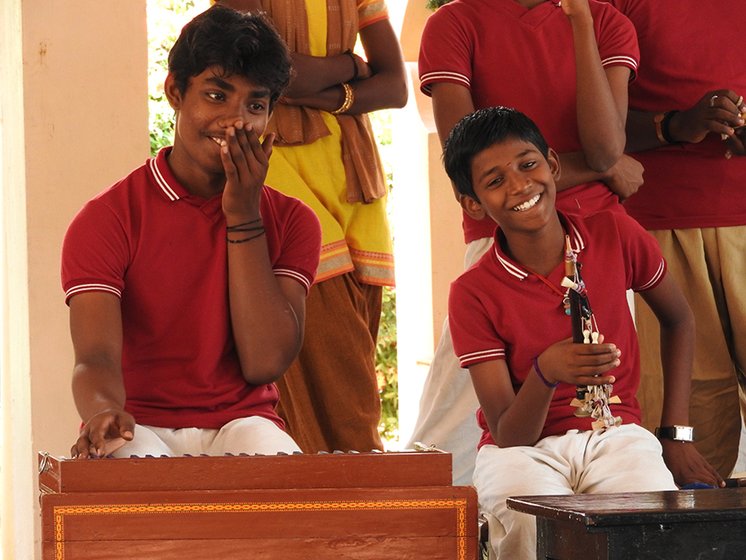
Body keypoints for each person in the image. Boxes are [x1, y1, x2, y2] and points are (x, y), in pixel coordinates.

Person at [444, 106, 721, 559]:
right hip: (522, 452)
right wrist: (545, 373)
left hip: (617, 436)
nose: (519, 185)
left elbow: (680, 319)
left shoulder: (615, 232)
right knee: (528, 529)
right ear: (474, 204)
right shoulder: (472, 292)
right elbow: (510, 435)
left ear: (552, 164)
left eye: (528, 164)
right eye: (494, 181)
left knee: (648, 528)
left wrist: (676, 434)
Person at [63, 5, 322, 459]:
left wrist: (243, 214)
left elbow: (264, 362)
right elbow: (95, 358)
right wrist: (105, 410)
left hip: (242, 422)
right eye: (217, 96)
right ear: (175, 92)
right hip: (137, 422)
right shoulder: (107, 218)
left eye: (255, 105)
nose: (235, 121)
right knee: (143, 492)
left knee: (286, 486)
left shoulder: (293, 221)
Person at [407, 0, 643, 485]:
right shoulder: (454, 22)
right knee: (457, 416)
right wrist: (588, 168)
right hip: (502, 243)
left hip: (596, 246)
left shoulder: (604, 21)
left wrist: (578, 19)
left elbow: (604, 149)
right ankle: (436, 529)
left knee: (598, 416)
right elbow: (466, 163)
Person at [218, 0, 407, 453]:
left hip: (352, 182)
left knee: (354, 374)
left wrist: (320, 91)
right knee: (323, 382)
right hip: (273, 168)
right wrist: (348, 66)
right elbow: (254, 69)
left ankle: (357, 510)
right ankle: (341, 506)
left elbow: (396, 87)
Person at [601, 0, 746, 478]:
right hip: (662, 225)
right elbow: (591, 121)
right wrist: (676, 125)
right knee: (690, 428)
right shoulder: (611, 7)